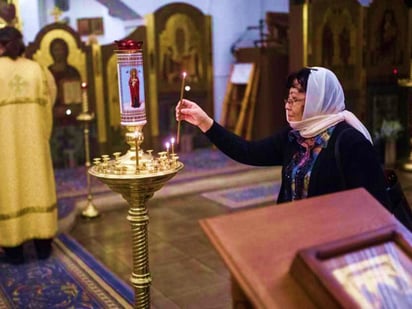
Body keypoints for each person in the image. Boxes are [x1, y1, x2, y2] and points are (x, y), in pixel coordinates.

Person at [176, 66, 391, 209]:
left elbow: (375, 204)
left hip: (333, 243)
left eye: (295, 99)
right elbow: (248, 151)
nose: (288, 105)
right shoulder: (295, 137)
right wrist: (204, 121)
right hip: (293, 234)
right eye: (287, 98)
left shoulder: (350, 143)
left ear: (318, 100)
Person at [0, 26, 58, 264]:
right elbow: (50, 97)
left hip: (5, 146)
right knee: (37, 184)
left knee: (9, 188)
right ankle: (43, 245)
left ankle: (14, 249)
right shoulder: (37, 69)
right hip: (33, 142)